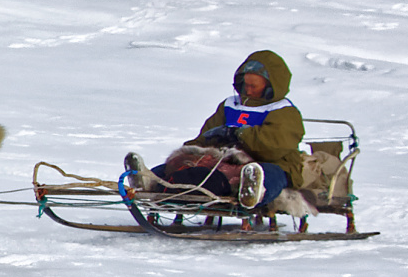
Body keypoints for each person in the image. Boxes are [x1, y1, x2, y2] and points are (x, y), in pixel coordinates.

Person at [126, 51, 305, 213]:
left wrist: (239, 134)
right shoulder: (230, 105)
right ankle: (150, 180)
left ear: (269, 87)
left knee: (267, 173)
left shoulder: (284, 111)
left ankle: (253, 192)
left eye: (254, 86)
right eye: (245, 85)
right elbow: (208, 133)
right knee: (187, 164)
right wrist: (193, 149)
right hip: (225, 159)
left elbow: (276, 145)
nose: (248, 90)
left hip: (271, 163)